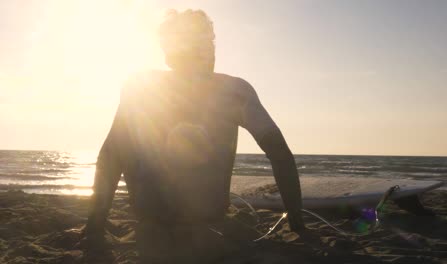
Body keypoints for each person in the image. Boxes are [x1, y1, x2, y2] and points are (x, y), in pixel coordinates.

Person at [84, 9, 304, 263]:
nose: (210, 50)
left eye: (209, 42)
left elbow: (112, 155)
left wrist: (95, 226)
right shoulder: (233, 92)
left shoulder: (140, 87)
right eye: (206, 42)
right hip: (206, 229)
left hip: (153, 229)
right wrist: (296, 222)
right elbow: (280, 154)